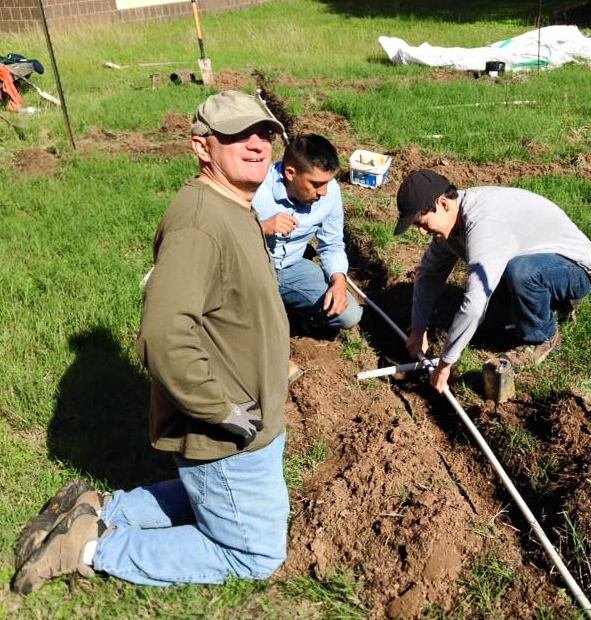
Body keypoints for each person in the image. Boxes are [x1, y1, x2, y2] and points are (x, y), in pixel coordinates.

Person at [12, 90, 292, 593]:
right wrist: (221, 409)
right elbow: (163, 335)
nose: (256, 144)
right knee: (255, 552)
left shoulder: (232, 205)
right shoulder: (201, 222)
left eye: (263, 133)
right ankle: (91, 547)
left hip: (249, 411)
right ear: (202, 148)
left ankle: (96, 510)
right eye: (236, 135)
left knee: (225, 500)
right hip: (229, 428)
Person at [395, 169, 591, 393]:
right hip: (538, 259)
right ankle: (545, 301)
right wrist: (419, 329)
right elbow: (429, 274)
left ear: (443, 204)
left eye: (422, 222)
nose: (421, 232)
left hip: (575, 268)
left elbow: (475, 306)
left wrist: (445, 364)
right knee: (498, 301)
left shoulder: (484, 223)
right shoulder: (449, 224)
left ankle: (543, 338)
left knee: (521, 272)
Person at [252, 133, 362, 334]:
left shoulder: (330, 193)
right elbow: (221, 235)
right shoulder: (254, 187)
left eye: (328, 182)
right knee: (255, 326)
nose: (324, 192)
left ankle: (296, 312)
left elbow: (332, 244)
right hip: (250, 271)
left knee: (349, 314)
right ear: (291, 173)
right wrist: (261, 227)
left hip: (291, 267)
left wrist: (339, 281)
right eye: (316, 184)